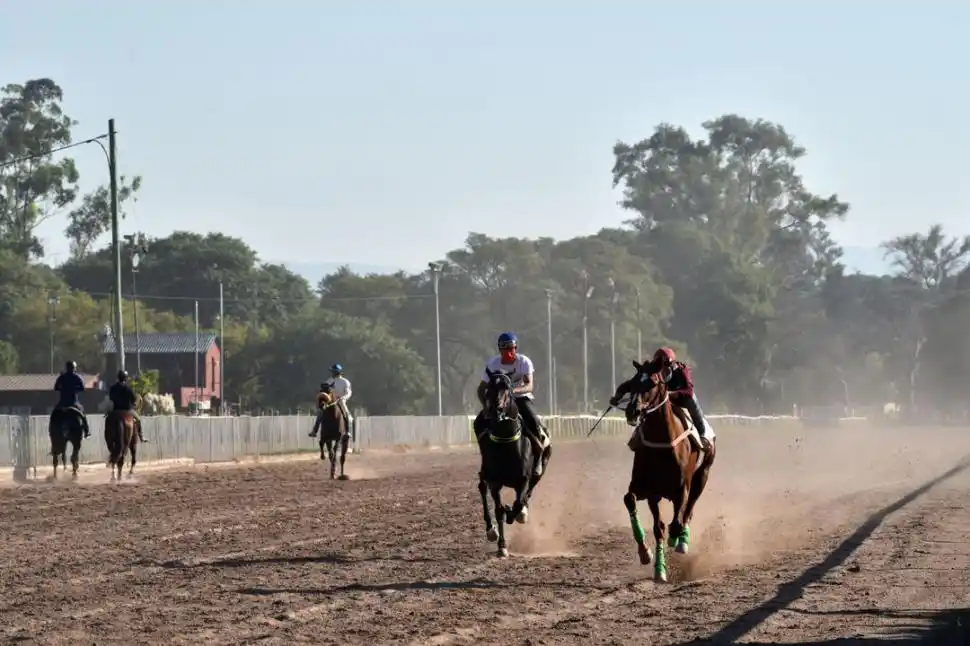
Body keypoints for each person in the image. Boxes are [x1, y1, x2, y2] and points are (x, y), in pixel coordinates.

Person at [473, 332, 551, 476]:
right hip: (499, 400)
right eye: (505, 348)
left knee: (533, 420)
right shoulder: (492, 364)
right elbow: (481, 388)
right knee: (478, 422)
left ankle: (539, 452)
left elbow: (529, 386)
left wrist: (512, 391)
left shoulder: (524, 362)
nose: (509, 352)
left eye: (511, 348)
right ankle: (486, 455)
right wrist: (486, 406)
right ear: (499, 349)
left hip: (520, 398)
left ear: (516, 348)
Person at [610, 347, 711, 450]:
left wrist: (670, 394)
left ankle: (702, 433)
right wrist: (618, 396)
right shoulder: (652, 371)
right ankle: (637, 435)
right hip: (662, 400)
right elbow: (630, 385)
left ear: (671, 364)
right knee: (647, 407)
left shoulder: (681, 370)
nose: (662, 370)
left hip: (681, 398)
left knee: (691, 401)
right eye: (659, 366)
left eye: (665, 366)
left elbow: (688, 392)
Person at [52, 361, 90, 438]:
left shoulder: (62, 377)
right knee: (83, 415)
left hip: (62, 403)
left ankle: (52, 431)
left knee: (54, 415)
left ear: (67, 368)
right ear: (74, 368)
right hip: (74, 402)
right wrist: (74, 389)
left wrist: (63, 388)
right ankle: (86, 431)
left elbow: (56, 388)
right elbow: (82, 388)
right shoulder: (77, 377)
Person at [108, 370, 146, 442]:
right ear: (125, 378)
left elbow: (111, 398)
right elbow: (134, 399)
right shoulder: (128, 388)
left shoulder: (113, 388)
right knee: (138, 420)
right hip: (127, 410)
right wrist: (133, 404)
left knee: (108, 419)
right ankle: (141, 437)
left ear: (118, 378)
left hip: (115, 410)